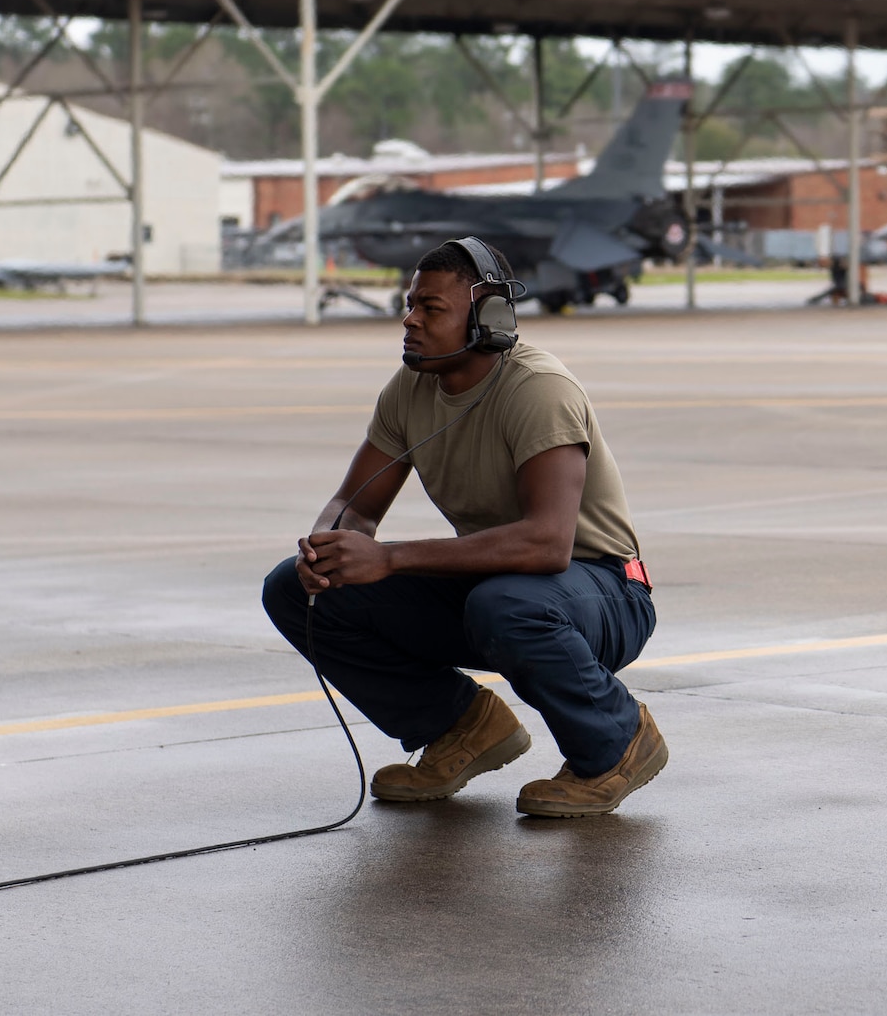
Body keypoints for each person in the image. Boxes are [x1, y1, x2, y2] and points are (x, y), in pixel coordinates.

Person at [261, 237, 666, 818]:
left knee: (507, 605)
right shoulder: (411, 388)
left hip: (603, 589)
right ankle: (460, 727)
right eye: (410, 304)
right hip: (497, 584)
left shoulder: (538, 391)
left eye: (430, 308)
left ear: (487, 320)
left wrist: (392, 559)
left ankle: (615, 742)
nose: (409, 319)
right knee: (293, 588)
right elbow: (354, 502)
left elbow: (548, 544)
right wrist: (328, 545)